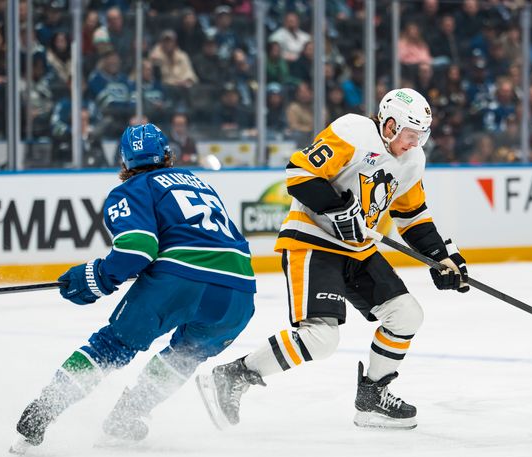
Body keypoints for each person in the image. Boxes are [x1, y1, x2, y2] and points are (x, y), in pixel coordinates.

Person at [196, 88, 470, 431]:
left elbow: (412, 216)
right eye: (410, 135)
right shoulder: (353, 131)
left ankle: (371, 399)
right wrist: (337, 207)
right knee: (321, 339)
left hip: (358, 251)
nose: (415, 144)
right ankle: (234, 375)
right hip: (313, 241)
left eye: (421, 136)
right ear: (388, 126)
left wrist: (440, 258)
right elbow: (299, 173)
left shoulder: (412, 160)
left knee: (406, 315)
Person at [11, 123, 256, 453]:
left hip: (179, 281)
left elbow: (137, 249)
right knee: (185, 355)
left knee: (112, 345)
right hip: (238, 290)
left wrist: (95, 276)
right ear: (168, 156)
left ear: (124, 162)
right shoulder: (200, 183)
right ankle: (125, 418)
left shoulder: (134, 188)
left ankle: (44, 410)